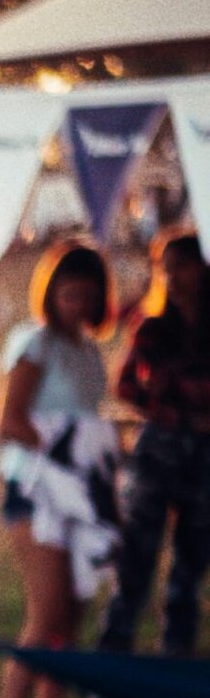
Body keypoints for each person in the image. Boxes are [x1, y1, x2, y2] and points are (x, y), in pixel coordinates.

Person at [0, 242, 119, 698]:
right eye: (69, 296)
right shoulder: (33, 344)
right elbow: (8, 421)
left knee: (72, 613)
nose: (78, 307)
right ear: (50, 294)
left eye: (88, 297)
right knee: (43, 613)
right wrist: (68, 450)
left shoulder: (88, 350)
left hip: (83, 492)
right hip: (39, 489)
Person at [96, 230, 210, 659]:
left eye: (182, 265)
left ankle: (175, 664)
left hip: (204, 460)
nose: (174, 276)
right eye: (167, 268)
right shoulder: (153, 325)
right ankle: (111, 672)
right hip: (159, 454)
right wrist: (177, 415)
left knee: (189, 569)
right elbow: (125, 385)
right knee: (134, 564)